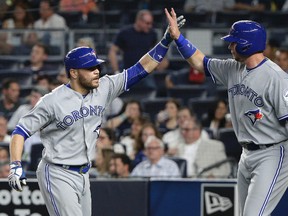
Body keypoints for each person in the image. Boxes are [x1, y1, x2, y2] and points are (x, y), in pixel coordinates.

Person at [8, 13, 185, 216]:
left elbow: (142, 68)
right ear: (73, 73)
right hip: (57, 172)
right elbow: (20, 131)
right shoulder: (52, 101)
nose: (96, 71)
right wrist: (16, 165)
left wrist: (165, 41)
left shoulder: (105, 87)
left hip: (84, 173)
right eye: (90, 68)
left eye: (97, 67)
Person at [166, 8, 288, 215]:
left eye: (234, 42)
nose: (230, 45)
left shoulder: (276, 78)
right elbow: (200, 63)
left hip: (273, 152)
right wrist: (177, 38)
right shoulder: (232, 68)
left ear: (246, 44)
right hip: (247, 153)